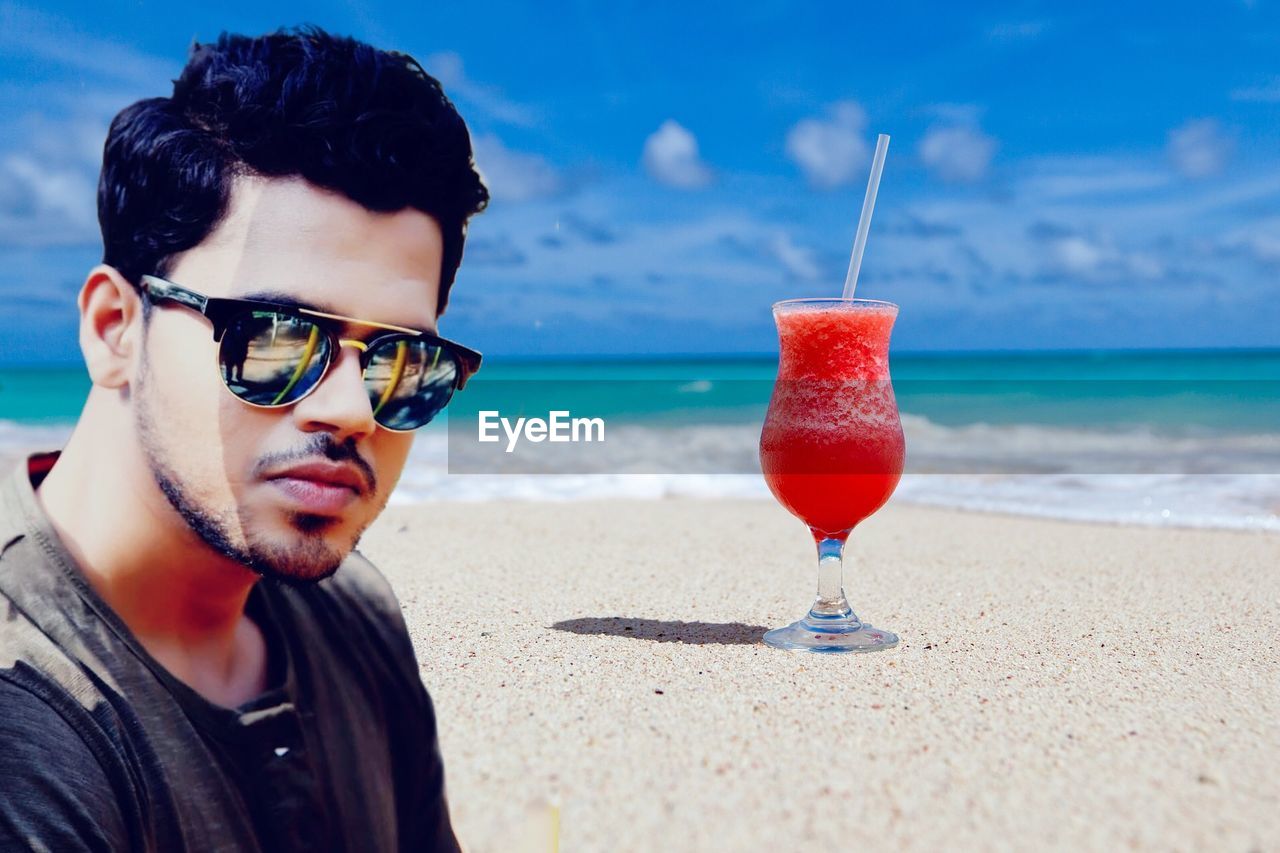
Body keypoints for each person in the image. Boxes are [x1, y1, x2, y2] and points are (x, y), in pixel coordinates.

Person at [0, 24, 489, 852]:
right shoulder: (30, 725)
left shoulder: (350, 608)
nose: (350, 410)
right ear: (117, 328)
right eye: (276, 336)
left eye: (402, 359)